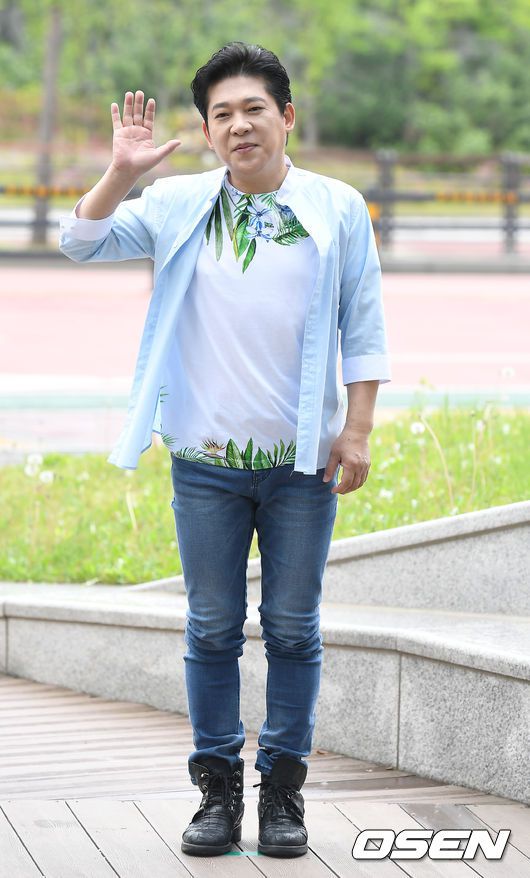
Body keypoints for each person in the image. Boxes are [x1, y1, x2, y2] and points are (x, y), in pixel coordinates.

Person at [59, 41, 391, 858]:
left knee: (293, 628)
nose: (239, 125)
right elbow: (80, 240)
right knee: (211, 627)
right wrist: (121, 172)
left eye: (253, 109)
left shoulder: (337, 207)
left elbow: (364, 324)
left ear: (287, 116)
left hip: (302, 465)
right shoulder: (177, 203)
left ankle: (282, 791)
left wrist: (356, 428)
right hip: (204, 463)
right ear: (207, 132)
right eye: (222, 115)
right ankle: (217, 790)